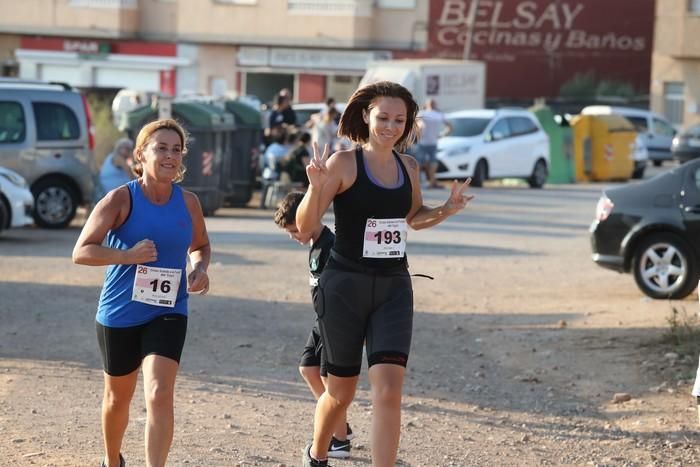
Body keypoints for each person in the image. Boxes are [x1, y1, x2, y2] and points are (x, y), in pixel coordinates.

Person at [296, 81, 473, 467]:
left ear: (408, 123)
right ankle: (318, 452)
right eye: (383, 117)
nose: (390, 126)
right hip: (344, 285)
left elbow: (413, 218)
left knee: (390, 390)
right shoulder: (344, 163)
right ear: (366, 116)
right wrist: (315, 188)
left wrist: (446, 208)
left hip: (393, 286)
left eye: (399, 119)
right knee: (340, 393)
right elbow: (307, 226)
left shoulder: (408, 166)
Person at [72, 119, 211, 467]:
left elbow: (201, 245)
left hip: (168, 309)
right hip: (120, 313)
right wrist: (126, 256)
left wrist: (199, 268)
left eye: (176, 149)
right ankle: (111, 460)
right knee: (118, 399)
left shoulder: (189, 202)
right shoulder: (120, 199)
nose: (170, 155)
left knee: (159, 393)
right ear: (141, 154)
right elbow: (82, 251)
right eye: (161, 148)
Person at [273, 191, 353, 459]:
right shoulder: (314, 243)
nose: (293, 236)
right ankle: (339, 424)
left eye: (295, 230)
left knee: (327, 379)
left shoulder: (331, 244)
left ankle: (339, 438)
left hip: (336, 322)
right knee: (308, 369)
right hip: (321, 320)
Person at [416, 99, 451, 188]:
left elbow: (414, 123)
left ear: (427, 105)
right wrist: (442, 135)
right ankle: (431, 181)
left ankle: (419, 182)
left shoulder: (423, 113)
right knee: (432, 162)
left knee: (420, 162)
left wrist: (418, 132)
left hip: (424, 142)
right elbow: (450, 126)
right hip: (432, 142)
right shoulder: (439, 115)